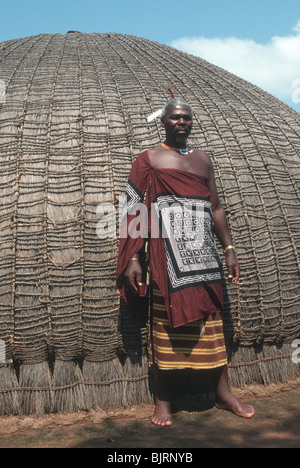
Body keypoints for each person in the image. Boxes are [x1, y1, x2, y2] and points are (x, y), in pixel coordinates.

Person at [117, 97, 255, 426]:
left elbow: (217, 207)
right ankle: (164, 401)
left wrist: (230, 249)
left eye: (187, 118)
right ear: (163, 121)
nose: (182, 122)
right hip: (167, 259)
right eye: (175, 117)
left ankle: (222, 394)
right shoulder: (148, 160)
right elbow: (133, 207)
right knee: (163, 327)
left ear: (192, 122)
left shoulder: (203, 160)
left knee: (213, 327)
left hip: (204, 258)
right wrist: (133, 257)